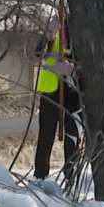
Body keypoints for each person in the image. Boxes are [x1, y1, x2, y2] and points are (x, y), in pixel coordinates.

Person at [33, 17, 82, 184]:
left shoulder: (83, 27)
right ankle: (40, 177)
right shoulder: (56, 25)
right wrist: (48, 36)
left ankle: (71, 177)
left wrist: (73, 69)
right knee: (46, 136)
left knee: (72, 136)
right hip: (50, 90)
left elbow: (86, 63)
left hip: (72, 92)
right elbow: (38, 54)